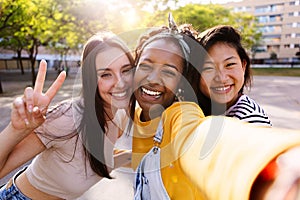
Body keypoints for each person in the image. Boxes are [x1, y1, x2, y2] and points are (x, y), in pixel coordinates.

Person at [131, 15, 300, 200]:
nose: (221, 77)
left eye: (169, 71)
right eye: (209, 68)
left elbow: (202, 138)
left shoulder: (186, 113)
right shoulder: (145, 113)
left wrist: (273, 168)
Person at [0, 31, 135, 199]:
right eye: (106, 74)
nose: (121, 83)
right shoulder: (66, 119)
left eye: (126, 70)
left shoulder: (119, 112)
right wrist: (16, 129)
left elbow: (94, 160)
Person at [192, 25, 272, 127]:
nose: (222, 78)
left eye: (229, 65)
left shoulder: (250, 122)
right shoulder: (196, 110)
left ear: (243, 66)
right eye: (208, 68)